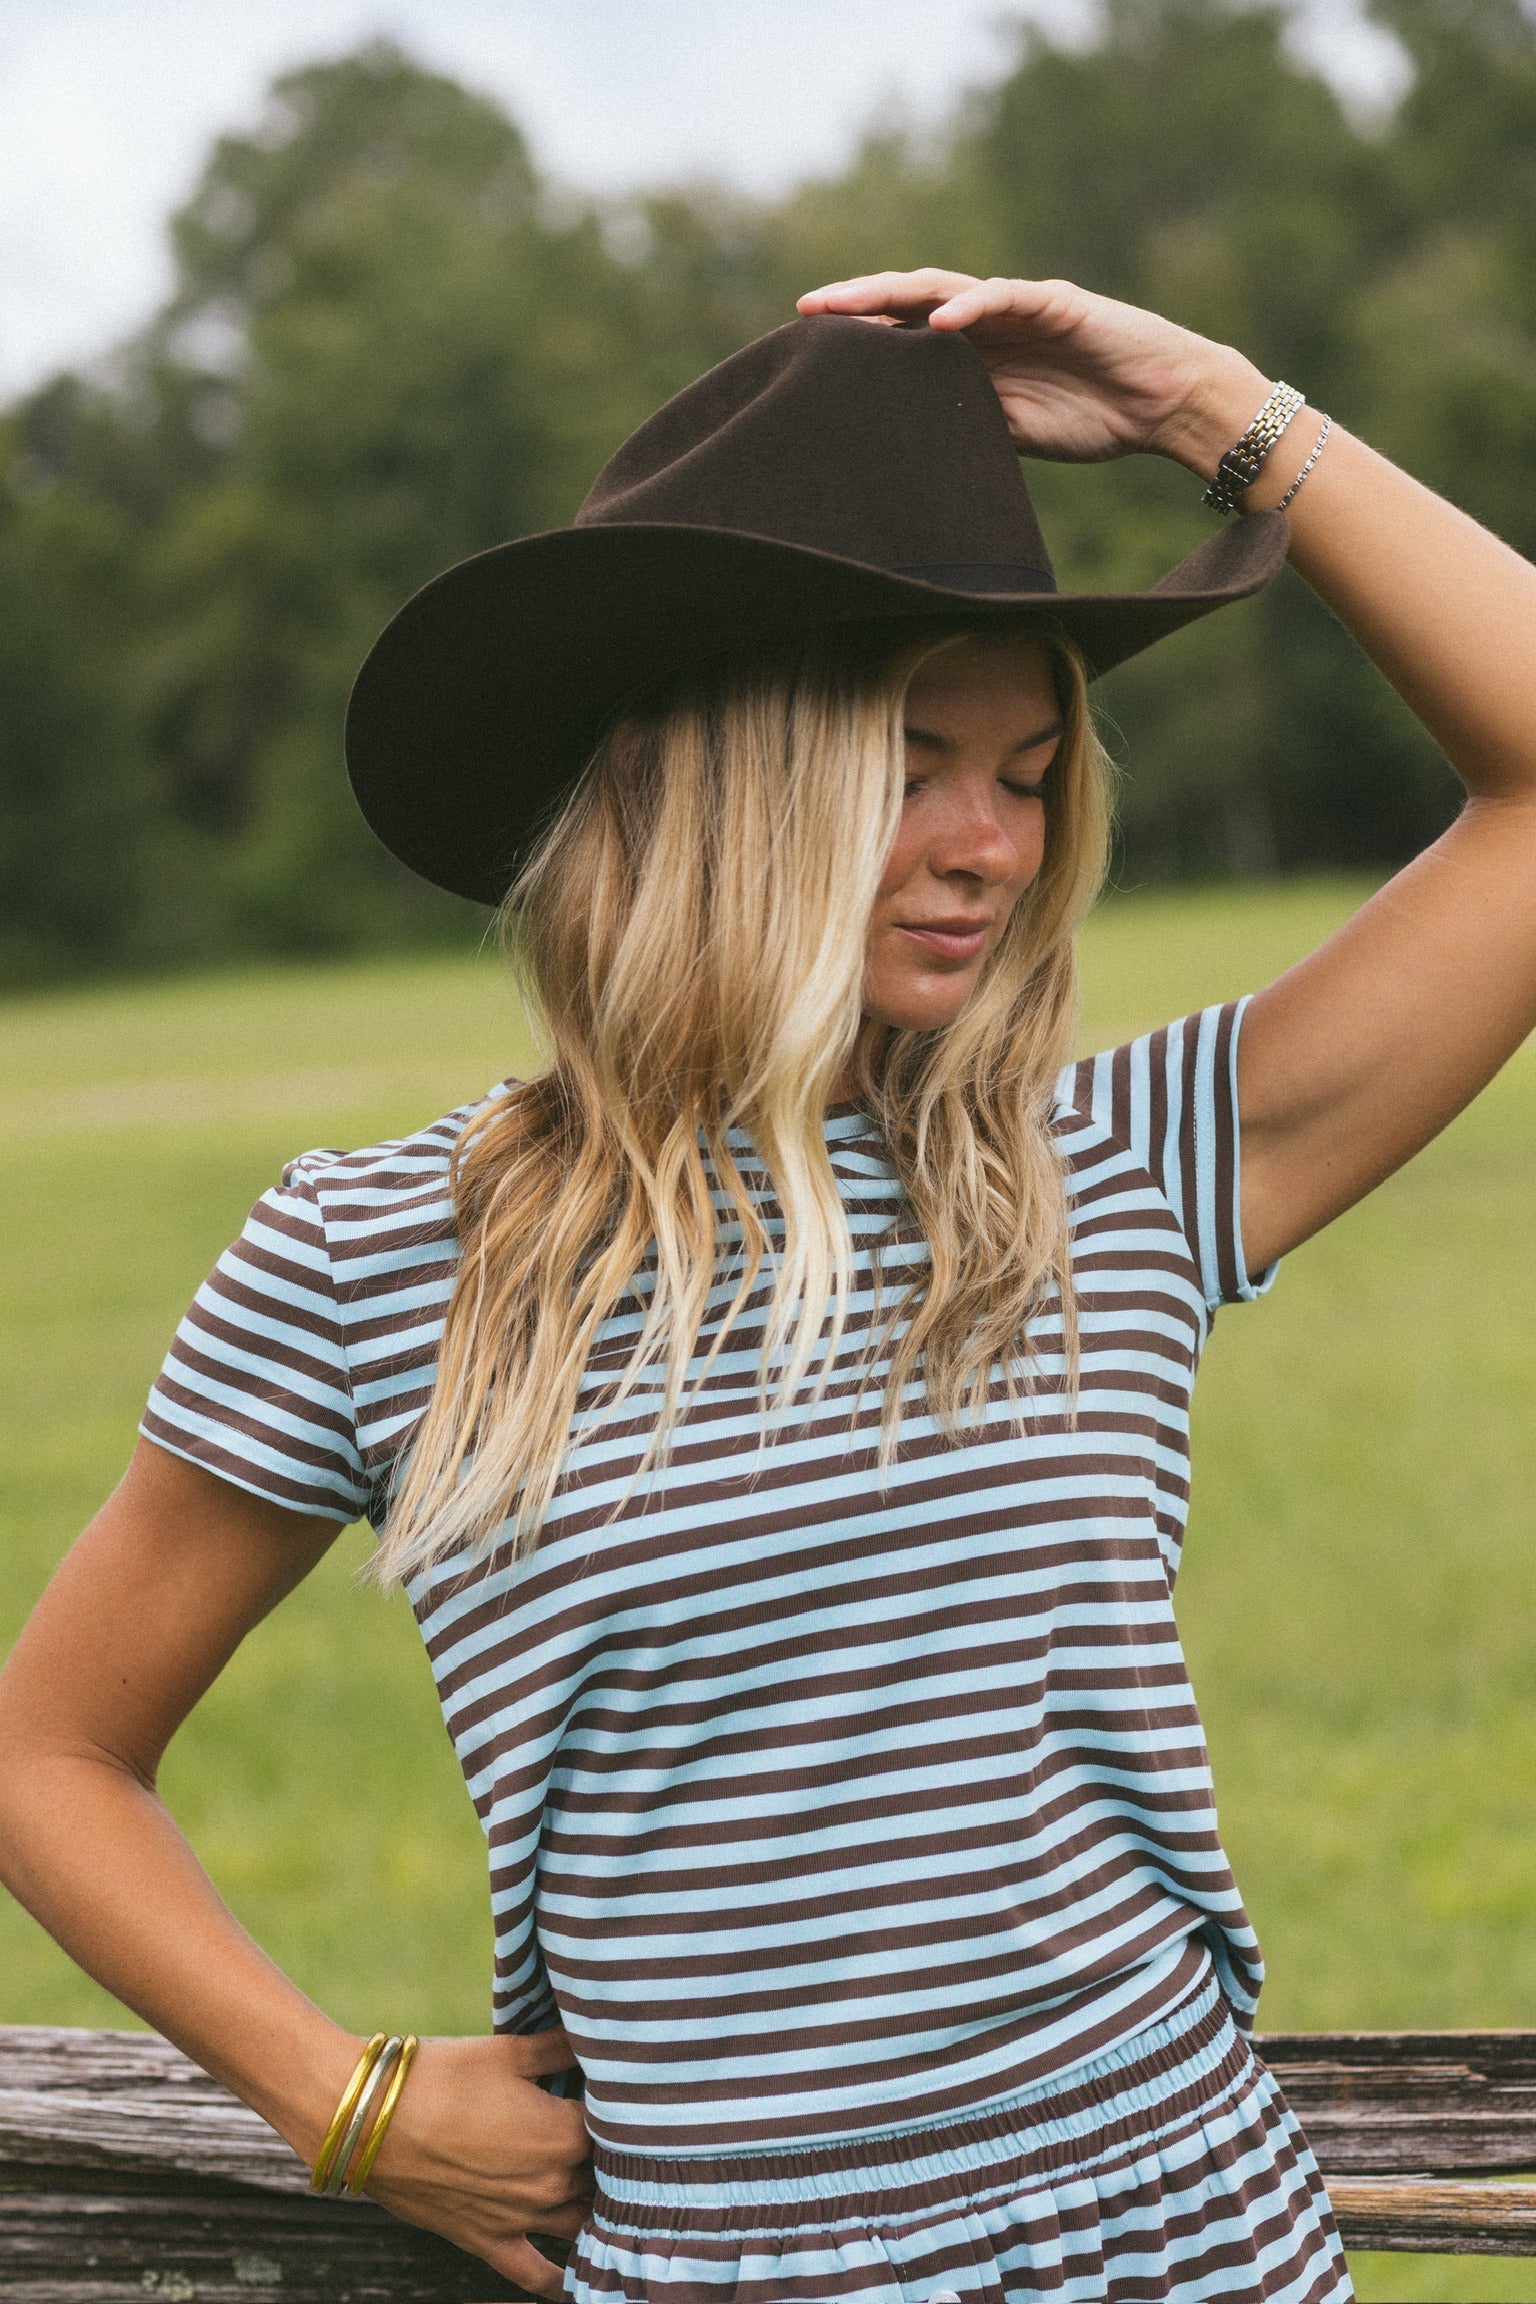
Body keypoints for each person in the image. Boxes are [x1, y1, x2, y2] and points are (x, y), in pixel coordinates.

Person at [0, 266, 1532, 2304]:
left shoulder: (1107, 1168)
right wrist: (339, 2099)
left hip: (1185, 2233)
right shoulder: (374, 1261)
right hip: (730, 2263)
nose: (992, 844)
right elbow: (47, 1755)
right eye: (910, 763)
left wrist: (1216, 407)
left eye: (1028, 772)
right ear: (714, 773)